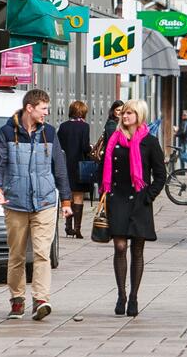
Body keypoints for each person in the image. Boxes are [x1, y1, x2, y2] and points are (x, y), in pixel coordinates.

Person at [0, 89, 72, 321]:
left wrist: (65, 200)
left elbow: (60, 167)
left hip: (44, 201)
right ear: (30, 108)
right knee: (16, 255)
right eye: (43, 108)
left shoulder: (50, 133)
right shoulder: (6, 133)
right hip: (15, 203)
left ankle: (41, 299)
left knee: (41, 253)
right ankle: (17, 300)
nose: (47, 112)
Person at [101, 99, 166, 318]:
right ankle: (121, 295)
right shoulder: (114, 139)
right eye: (124, 113)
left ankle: (134, 297)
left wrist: (148, 196)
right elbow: (104, 168)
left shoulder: (149, 141)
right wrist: (106, 192)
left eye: (130, 113)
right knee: (119, 246)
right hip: (117, 198)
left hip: (139, 201)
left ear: (139, 116)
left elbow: (160, 175)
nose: (125, 116)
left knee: (137, 250)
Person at [57, 101, 92, 239]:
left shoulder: (63, 126)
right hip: (79, 165)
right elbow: (84, 147)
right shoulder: (84, 127)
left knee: (68, 196)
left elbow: (58, 146)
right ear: (83, 112)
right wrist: (91, 148)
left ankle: (68, 226)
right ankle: (77, 229)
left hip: (66, 165)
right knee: (78, 197)